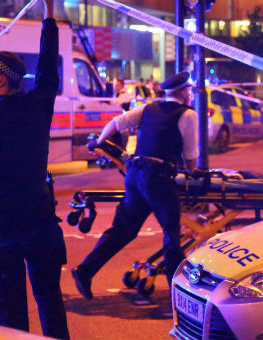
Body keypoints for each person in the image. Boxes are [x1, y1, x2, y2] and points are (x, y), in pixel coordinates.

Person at [0, 1, 69, 339]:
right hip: (42, 222)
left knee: (9, 308)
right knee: (50, 300)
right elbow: (48, 68)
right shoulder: (39, 106)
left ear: (2, 80)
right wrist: (49, 15)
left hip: (5, 225)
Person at [71, 71, 199, 300]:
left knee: (124, 229)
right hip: (158, 179)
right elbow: (190, 154)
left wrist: (99, 142)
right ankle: (178, 297)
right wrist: (191, 171)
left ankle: (85, 271)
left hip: (135, 175)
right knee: (172, 236)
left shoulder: (148, 109)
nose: (190, 94)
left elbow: (116, 122)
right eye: (188, 90)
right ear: (182, 92)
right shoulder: (188, 114)